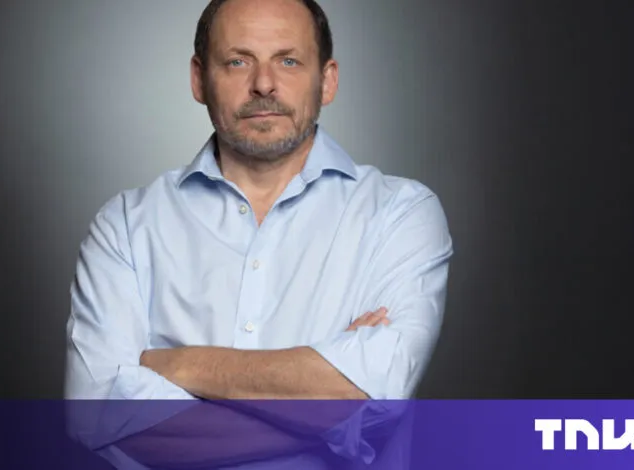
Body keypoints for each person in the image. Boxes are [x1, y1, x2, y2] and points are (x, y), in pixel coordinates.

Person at [64, 0, 453, 468]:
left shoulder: (400, 214)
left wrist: (183, 365)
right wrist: (329, 408)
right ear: (197, 79)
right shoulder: (126, 225)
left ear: (327, 80)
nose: (264, 84)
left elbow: (377, 398)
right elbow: (95, 416)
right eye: (237, 61)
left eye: (288, 61)